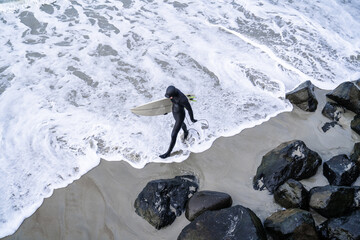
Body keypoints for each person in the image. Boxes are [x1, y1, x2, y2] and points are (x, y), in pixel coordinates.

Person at [159, 86, 197, 159]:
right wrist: (165, 111)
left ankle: (168, 153)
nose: (169, 98)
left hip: (180, 115)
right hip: (174, 111)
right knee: (182, 124)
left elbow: (189, 109)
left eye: (170, 97)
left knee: (173, 134)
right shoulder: (173, 94)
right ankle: (186, 132)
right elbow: (168, 102)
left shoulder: (183, 99)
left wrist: (192, 119)